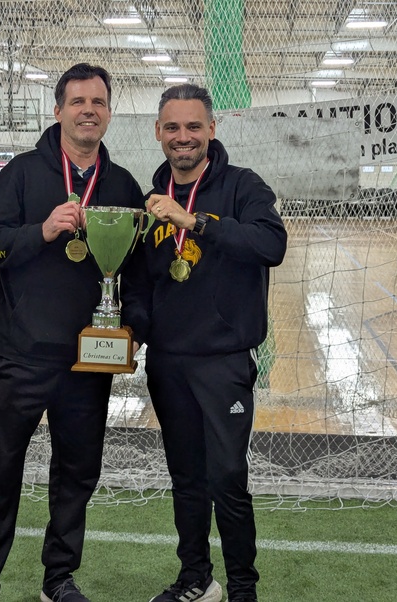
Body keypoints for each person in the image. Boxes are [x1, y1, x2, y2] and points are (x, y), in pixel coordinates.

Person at [0, 64, 144, 602]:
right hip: (24, 355)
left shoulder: (122, 185)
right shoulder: (21, 173)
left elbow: (132, 270)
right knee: (1, 472)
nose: (88, 110)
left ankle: (58, 579)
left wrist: (132, 330)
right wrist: (39, 232)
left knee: (77, 474)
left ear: (108, 113)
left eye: (98, 102)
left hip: (90, 360)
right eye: (77, 101)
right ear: (58, 110)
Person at [121, 84, 287, 602]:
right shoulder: (147, 202)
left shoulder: (243, 186)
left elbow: (270, 243)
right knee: (186, 478)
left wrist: (194, 221)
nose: (183, 137)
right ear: (158, 132)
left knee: (227, 478)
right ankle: (196, 578)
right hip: (167, 363)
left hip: (223, 362)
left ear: (212, 129)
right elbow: (142, 282)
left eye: (193, 126)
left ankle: (242, 588)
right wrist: (128, 332)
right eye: (172, 127)